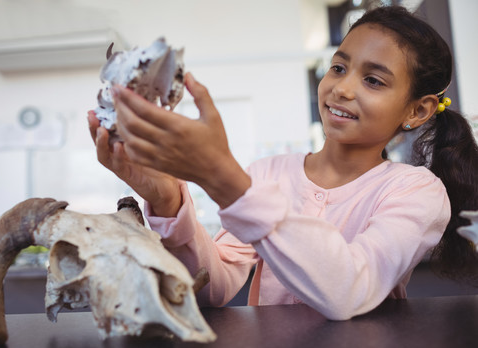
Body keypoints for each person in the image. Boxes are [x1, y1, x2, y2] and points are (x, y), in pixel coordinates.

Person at [88, 5, 478, 320]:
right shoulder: (268, 173)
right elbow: (213, 289)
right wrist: (168, 200)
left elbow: (350, 290)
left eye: (373, 81)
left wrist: (223, 178)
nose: (341, 88)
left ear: (418, 109)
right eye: (338, 68)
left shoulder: (417, 191)